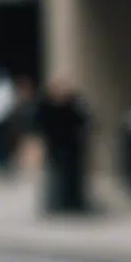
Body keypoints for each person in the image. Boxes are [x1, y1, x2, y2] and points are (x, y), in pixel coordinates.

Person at [36, 77, 92, 215]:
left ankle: (72, 203)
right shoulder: (46, 107)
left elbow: (83, 122)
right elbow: (39, 124)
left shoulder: (72, 106)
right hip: (55, 147)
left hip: (72, 148)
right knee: (55, 177)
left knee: (73, 178)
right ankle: (54, 204)